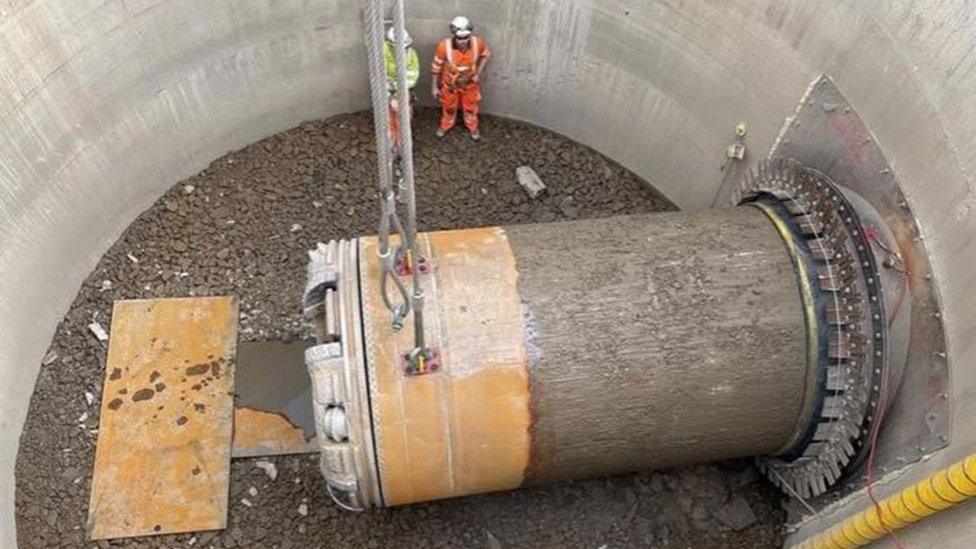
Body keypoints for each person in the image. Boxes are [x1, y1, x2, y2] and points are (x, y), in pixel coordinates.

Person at [430, 16, 491, 140]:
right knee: (449, 107)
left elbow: (486, 54)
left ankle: (472, 127)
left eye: (466, 37)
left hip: (469, 85)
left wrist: (477, 73)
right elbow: (436, 67)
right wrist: (434, 86)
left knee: (471, 108)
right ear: (454, 35)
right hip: (450, 85)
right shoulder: (444, 46)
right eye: (460, 38)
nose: (463, 41)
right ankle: (445, 125)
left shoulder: (477, 43)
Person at [385, 26, 420, 156]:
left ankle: (404, 150)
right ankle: (391, 148)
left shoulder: (410, 54)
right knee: (388, 121)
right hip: (387, 92)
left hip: (403, 92)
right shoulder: (382, 53)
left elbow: (412, 76)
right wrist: (390, 96)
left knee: (403, 121)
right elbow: (379, 76)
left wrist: (398, 94)